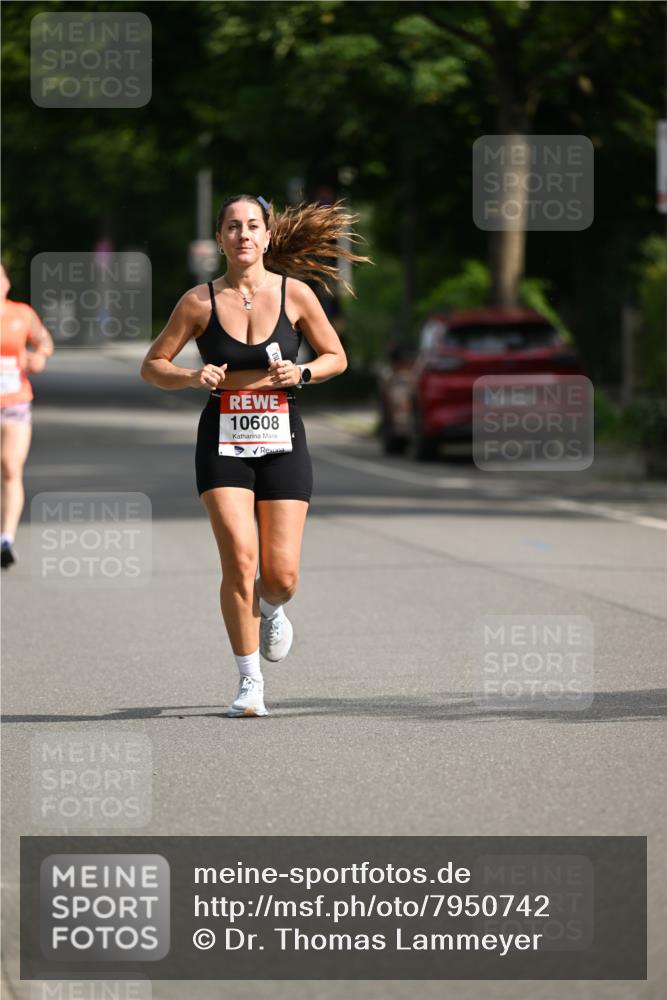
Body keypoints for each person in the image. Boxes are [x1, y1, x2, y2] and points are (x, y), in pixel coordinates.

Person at [141, 194, 370, 716]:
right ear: (219, 239)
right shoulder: (198, 302)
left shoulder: (297, 295)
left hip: (283, 436)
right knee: (239, 560)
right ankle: (249, 681)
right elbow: (152, 365)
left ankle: (271, 609)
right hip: (222, 439)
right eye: (231, 227)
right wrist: (190, 375)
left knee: (282, 575)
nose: (243, 235)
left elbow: (337, 356)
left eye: (251, 226)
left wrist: (304, 372)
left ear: (267, 237)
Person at [0, 263, 54, 569]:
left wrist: (40, 356)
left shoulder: (21, 314)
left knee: (10, 468)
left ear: (7, 283)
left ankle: (5, 538)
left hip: (15, 402)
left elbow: (44, 340)